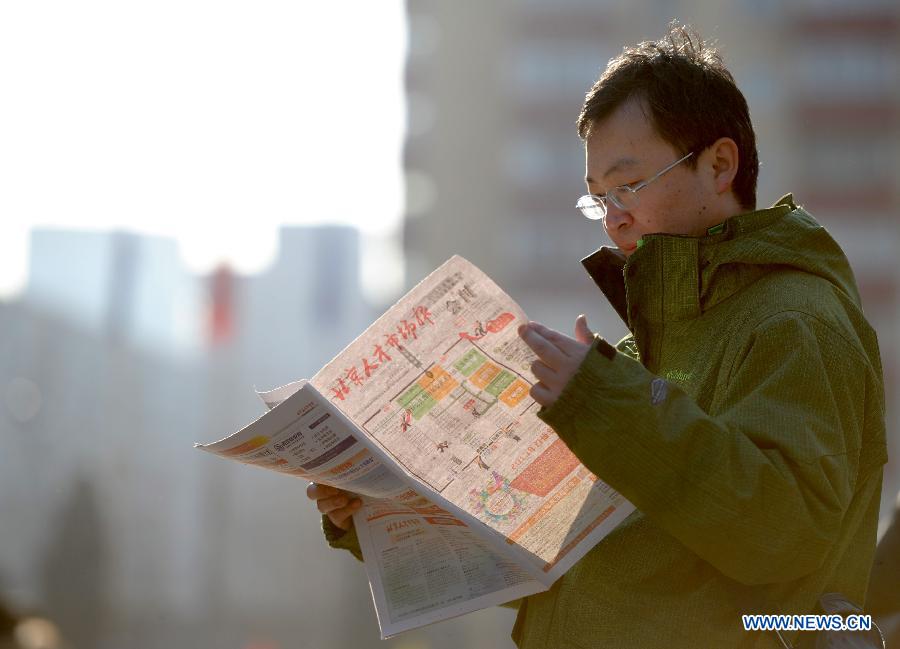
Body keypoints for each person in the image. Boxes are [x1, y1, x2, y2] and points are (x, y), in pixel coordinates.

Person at [308, 23, 888, 648]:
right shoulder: (651, 354)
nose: (614, 217)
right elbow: (552, 561)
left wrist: (606, 406)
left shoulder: (795, 319)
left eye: (629, 185)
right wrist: (377, 510)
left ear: (720, 164)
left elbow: (782, 537)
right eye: (599, 197)